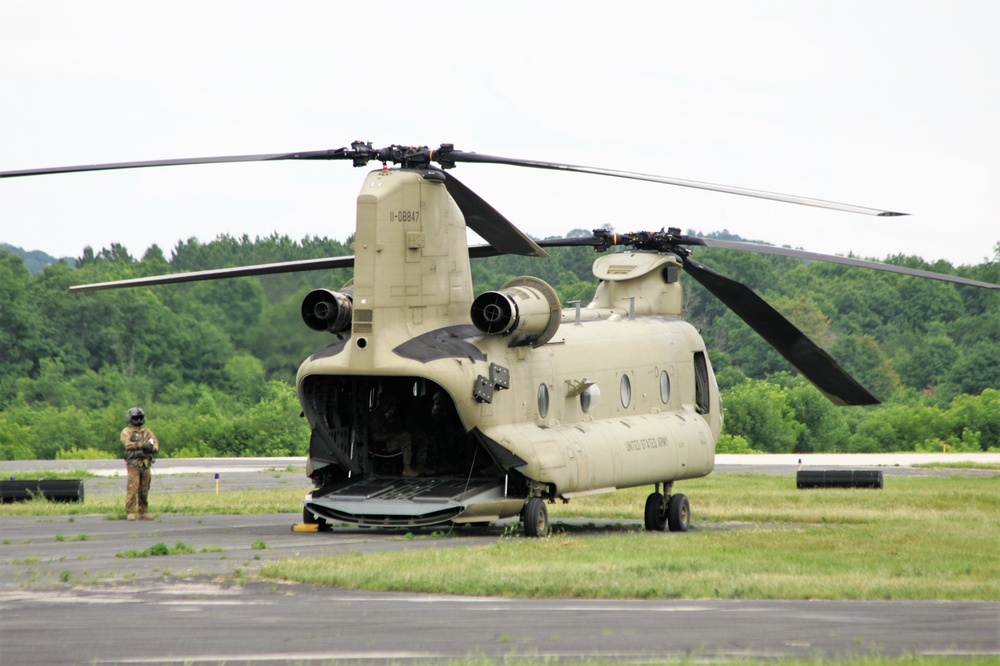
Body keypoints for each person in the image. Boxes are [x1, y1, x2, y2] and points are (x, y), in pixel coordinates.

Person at [121, 407, 159, 520]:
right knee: (133, 488)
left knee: (144, 489)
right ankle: (130, 511)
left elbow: (155, 443)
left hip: (145, 464)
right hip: (134, 464)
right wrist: (141, 445)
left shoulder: (147, 432)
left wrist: (152, 448)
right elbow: (127, 444)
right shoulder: (126, 432)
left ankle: (143, 511)